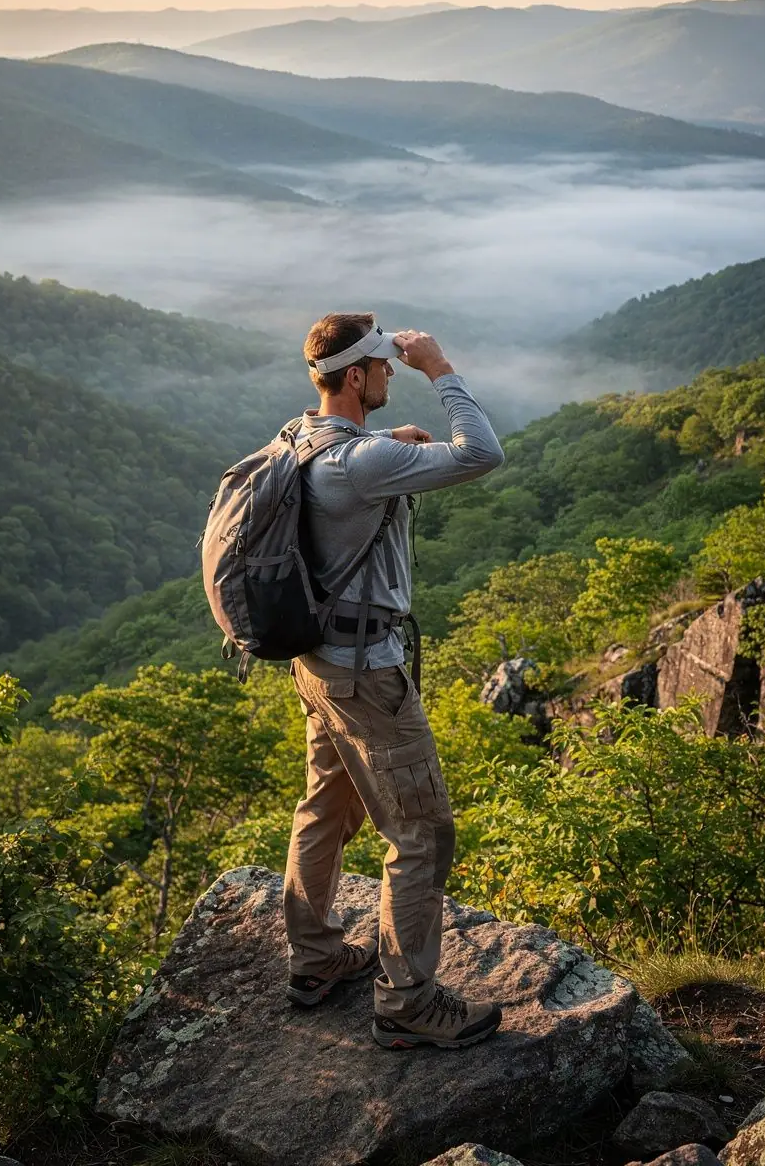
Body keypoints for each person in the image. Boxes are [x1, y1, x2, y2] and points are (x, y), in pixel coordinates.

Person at [283, 312, 506, 1049]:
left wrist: (390, 442)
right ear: (357, 377)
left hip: (316, 664)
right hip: (369, 677)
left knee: (326, 806)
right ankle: (407, 1002)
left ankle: (315, 961)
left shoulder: (302, 437)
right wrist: (439, 367)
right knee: (420, 833)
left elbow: (353, 474)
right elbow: (483, 453)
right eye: (383, 365)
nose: (390, 372)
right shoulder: (364, 463)